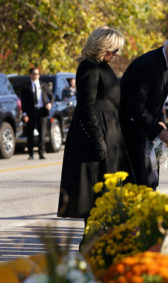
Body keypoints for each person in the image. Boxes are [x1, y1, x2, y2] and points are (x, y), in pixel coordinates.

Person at [58, 26, 133, 223]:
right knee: (95, 199)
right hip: (94, 138)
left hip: (111, 134)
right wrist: (97, 139)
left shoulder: (104, 67)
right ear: (103, 46)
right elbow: (85, 106)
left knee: (109, 198)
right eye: (114, 50)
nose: (116, 54)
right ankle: (91, 245)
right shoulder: (88, 67)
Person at [120, 32, 168, 189]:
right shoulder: (147, 65)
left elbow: (157, 102)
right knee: (140, 183)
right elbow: (135, 105)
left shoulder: (167, 65)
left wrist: (161, 121)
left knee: (151, 180)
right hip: (133, 132)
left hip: (148, 130)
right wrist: (157, 129)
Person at [21, 67, 53, 160]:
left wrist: (49, 103)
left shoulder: (43, 85)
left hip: (42, 111)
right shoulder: (26, 87)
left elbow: (51, 96)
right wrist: (24, 114)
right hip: (30, 112)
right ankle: (31, 154)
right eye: (34, 74)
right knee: (30, 133)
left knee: (42, 133)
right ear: (30, 75)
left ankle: (41, 152)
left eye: (38, 74)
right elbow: (23, 102)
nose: (36, 75)